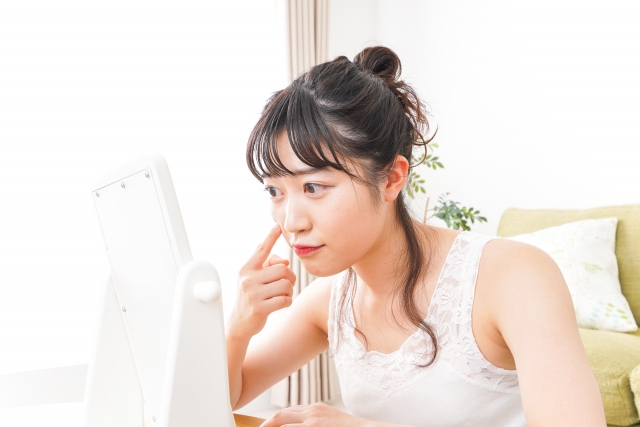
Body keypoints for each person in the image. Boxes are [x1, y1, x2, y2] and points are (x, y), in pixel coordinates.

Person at [225, 46, 606, 427]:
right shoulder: (329, 302)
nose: (291, 222)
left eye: (313, 187)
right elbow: (226, 396)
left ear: (392, 178)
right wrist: (240, 328)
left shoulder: (513, 277)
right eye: (274, 191)